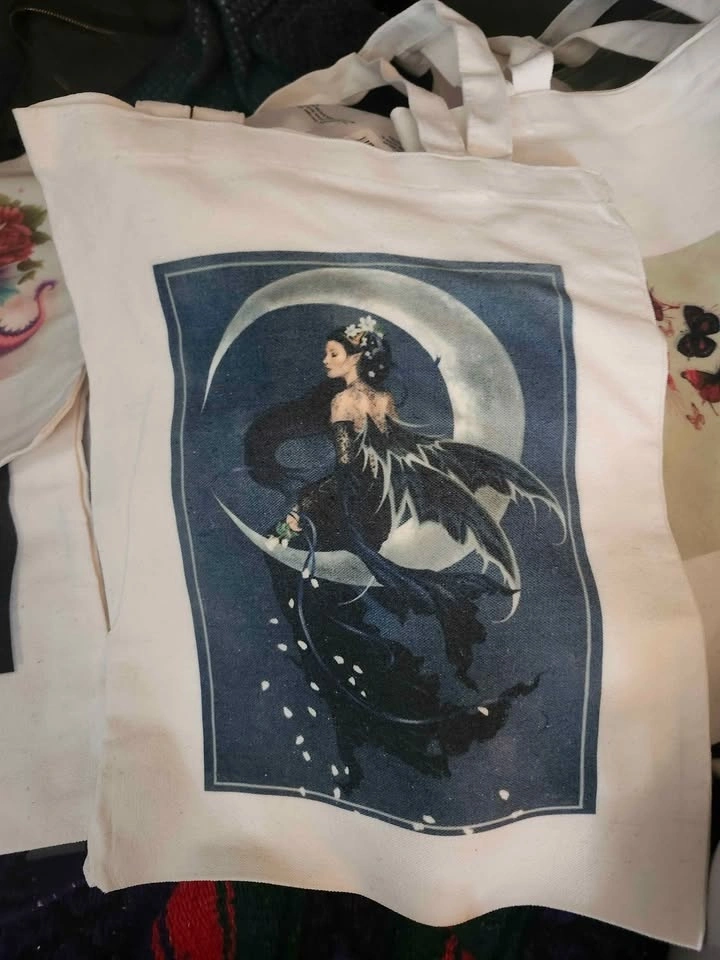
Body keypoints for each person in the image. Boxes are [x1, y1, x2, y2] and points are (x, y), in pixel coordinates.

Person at [247, 314, 564, 785]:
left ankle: (352, 708)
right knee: (326, 591)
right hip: (378, 509)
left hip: (348, 505)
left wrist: (305, 505)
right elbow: (388, 456)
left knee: (293, 573)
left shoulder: (343, 401)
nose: (325, 360)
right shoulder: (383, 400)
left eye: (333, 354)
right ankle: (378, 702)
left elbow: (349, 466)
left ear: (356, 358)